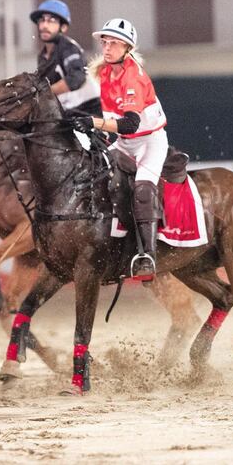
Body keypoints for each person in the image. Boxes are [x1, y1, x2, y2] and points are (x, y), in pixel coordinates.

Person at [89, 18, 168, 281]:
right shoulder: (103, 73)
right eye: (105, 42)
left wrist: (95, 123)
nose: (107, 47)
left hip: (149, 142)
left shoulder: (132, 76)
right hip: (124, 142)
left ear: (127, 48)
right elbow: (113, 119)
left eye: (114, 43)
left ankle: (148, 256)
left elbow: (130, 123)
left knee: (143, 189)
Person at [30, 0, 100, 122]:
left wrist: (44, 92)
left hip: (90, 111)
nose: (45, 25)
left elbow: (76, 77)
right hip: (67, 112)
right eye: (42, 20)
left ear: (63, 27)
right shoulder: (42, 56)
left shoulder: (69, 47)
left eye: (51, 21)